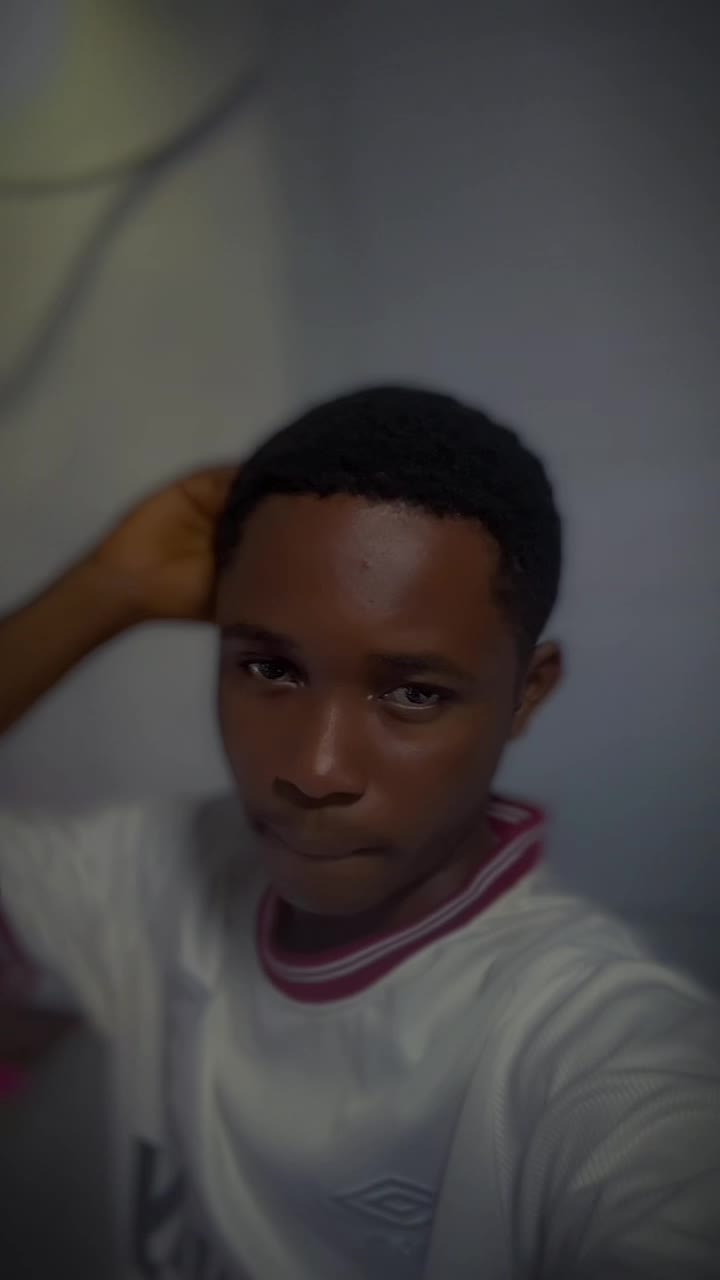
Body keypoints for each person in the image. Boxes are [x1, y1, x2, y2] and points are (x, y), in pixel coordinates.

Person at [0, 386, 718, 1279]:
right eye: (270, 668)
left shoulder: (593, 1046)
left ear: (525, 695)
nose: (316, 768)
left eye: (413, 693)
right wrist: (104, 591)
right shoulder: (160, 870)